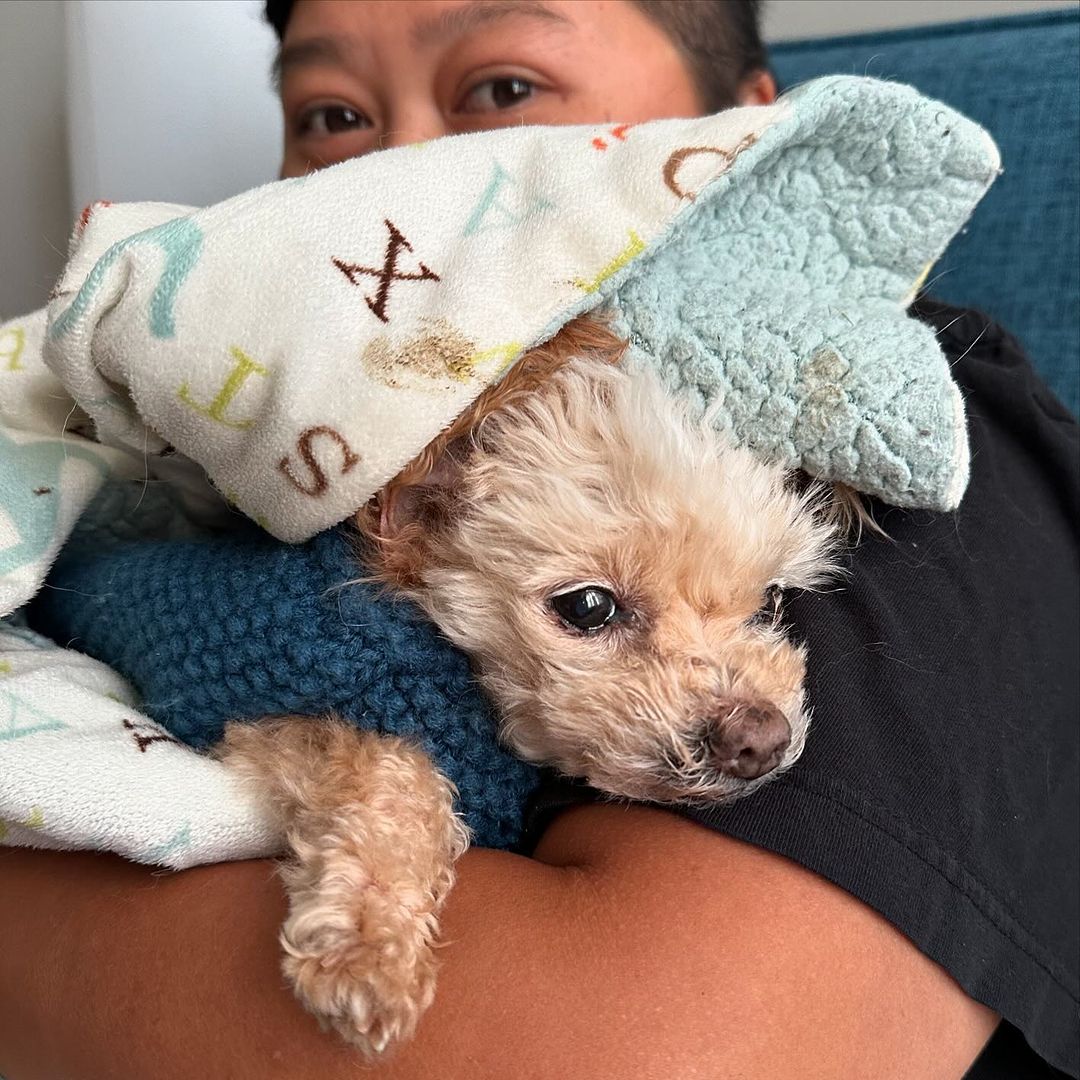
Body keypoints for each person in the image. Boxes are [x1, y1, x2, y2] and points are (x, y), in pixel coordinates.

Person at [0, 2, 1076, 1078]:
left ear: (750, 135)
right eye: (331, 113)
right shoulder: (303, 470)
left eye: (505, 87)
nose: (414, 164)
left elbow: (641, 1056)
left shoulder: (866, 417)